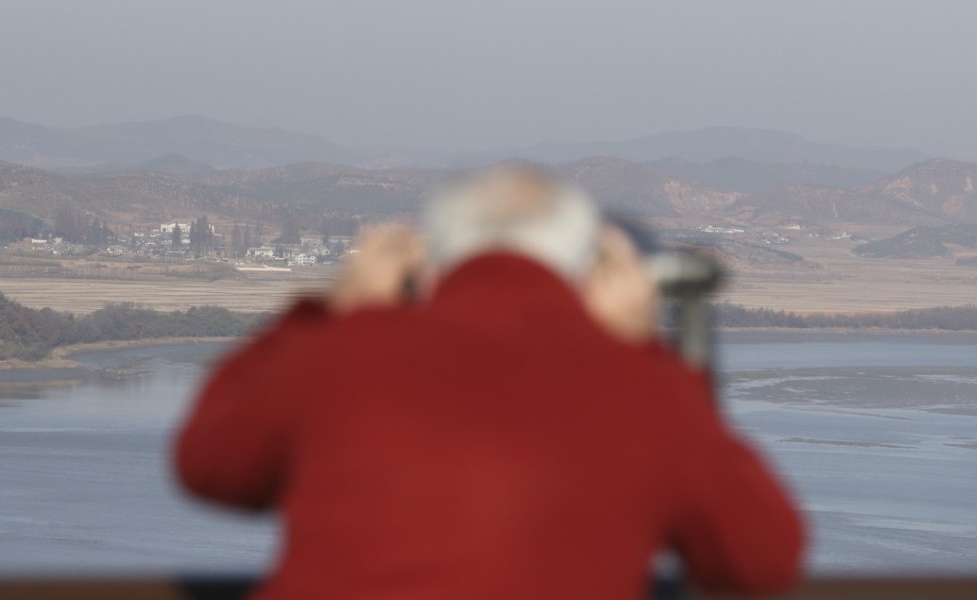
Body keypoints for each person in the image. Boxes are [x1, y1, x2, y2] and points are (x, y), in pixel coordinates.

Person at [175, 165, 804, 600]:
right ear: (585, 267)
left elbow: (210, 467)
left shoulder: (344, 352)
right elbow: (760, 557)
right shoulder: (638, 385)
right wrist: (644, 348)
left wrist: (331, 310)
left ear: (435, 259)